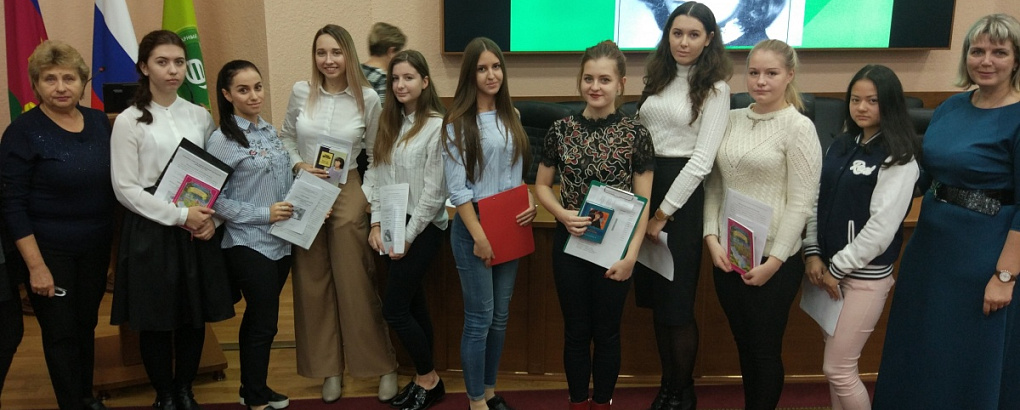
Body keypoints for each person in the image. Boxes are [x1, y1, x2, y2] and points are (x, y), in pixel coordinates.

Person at [873, 13, 1020, 410]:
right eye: (977, 51)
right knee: (920, 345)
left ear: (1016, 61)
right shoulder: (951, 107)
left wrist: (1005, 277)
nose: (985, 60)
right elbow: (924, 174)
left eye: (999, 52)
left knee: (964, 356)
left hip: (983, 257)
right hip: (930, 248)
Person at [109, 30, 235, 410]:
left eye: (179, 62)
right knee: (157, 319)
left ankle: (185, 390)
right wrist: (180, 215)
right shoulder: (129, 120)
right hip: (152, 228)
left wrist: (213, 220)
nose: (173, 70)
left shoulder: (199, 116)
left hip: (197, 228)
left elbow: (215, 174)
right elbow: (125, 188)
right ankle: (164, 394)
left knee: (193, 317)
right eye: (162, 62)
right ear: (144, 67)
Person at [278, 24, 398, 403]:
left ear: (348, 54)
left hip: (348, 188)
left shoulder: (368, 98)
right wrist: (299, 166)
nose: (328, 60)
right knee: (311, 283)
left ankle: (381, 365)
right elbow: (286, 138)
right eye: (321, 53)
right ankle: (329, 369)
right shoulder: (301, 92)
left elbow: (377, 154)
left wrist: (365, 196)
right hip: (307, 189)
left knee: (355, 282)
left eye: (335, 52)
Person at [535, 40, 655, 410]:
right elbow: (542, 186)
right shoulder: (561, 129)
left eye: (604, 79)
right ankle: (577, 402)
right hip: (570, 241)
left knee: (606, 332)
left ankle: (602, 403)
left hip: (615, 248)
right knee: (575, 331)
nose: (595, 86)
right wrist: (561, 213)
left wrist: (631, 256)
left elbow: (643, 203)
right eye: (588, 78)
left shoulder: (636, 134)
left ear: (621, 84)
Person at [702, 39, 821, 410]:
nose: (761, 81)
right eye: (753, 72)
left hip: (774, 261)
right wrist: (711, 237)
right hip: (729, 254)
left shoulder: (799, 127)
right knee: (745, 345)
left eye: (771, 73)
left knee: (764, 350)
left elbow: (801, 204)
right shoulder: (731, 119)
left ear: (789, 75)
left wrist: (775, 261)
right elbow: (715, 184)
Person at [0, 40, 114, 410]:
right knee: (61, 333)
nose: (61, 87)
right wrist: (36, 267)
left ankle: (85, 396)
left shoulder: (99, 123)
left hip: (95, 247)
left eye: (69, 78)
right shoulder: (22, 132)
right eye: (50, 79)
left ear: (82, 82)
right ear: (36, 85)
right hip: (49, 251)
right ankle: (71, 403)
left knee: (85, 324)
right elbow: (12, 205)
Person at [632, 2, 732, 409]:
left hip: (681, 200)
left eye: (693, 34)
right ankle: (667, 387)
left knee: (677, 305)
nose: (684, 42)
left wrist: (662, 214)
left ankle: (683, 390)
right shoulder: (658, 77)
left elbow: (702, 161)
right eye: (677, 33)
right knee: (658, 303)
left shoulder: (716, 89)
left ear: (709, 39)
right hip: (647, 186)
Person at [802, 64, 920, 410]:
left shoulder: (899, 157)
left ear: (890, 104)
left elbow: (881, 229)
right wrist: (812, 252)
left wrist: (836, 268)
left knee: (838, 369)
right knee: (835, 368)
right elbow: (817, 201)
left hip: (863, 278)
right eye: (855, 99)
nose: (862, 107)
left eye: (872, 100)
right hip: (827, 274)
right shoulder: (840, 144)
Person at [442, 37, 537, 410]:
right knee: (479, 319)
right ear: (470, 74)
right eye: (482, 68)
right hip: (474, 228)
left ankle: (490, 390)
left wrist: (528, 201)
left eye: (496, 66)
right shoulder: (457, 123)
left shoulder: (513, 115)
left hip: (510, 223)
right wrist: (480, 237)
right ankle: (475, 400)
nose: (491, 74)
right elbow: (458, 191)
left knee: (500, 317)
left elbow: (516, 174)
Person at [206, 60, 293, 410]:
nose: (254, 95)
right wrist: (263, 214)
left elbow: (284, 183)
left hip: (283, 240)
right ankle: (255, 397)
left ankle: (252, 386)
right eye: (243, 90)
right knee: (264, 321)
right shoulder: (222, 140)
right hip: (247, 241)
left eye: (258, 87)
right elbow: (210, 197)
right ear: (227, 95)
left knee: (261, 319)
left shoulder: (269, 131)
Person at [367, 49, 448, 410]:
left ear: (425, 82)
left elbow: (434, 192)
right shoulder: (389, 122)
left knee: (395, 309)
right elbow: (378, 174)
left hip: (423, 227)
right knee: (414, 305)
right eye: (395, 78)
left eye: (409, 78)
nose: (400, 85)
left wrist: (409, 236)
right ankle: (423, 378)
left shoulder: (437, 126)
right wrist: (377, 222)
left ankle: (429, 378)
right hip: (392, 223)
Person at [361, 22, 407, 107]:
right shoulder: (383, 80)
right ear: (391, 52)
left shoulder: (356, 71)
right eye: (399, 53)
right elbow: (384, 113)